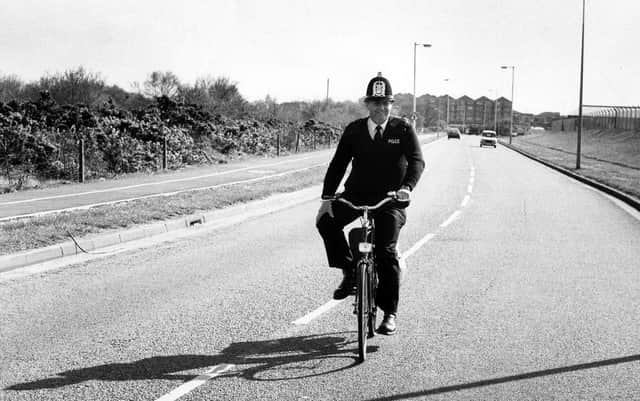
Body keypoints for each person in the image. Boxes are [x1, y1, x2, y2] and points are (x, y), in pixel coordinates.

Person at [315, 72, 425, 335]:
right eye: (375, 103)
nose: (381, 108)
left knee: (386, 252)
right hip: (356, 195)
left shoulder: (402, 129)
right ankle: (349, 270)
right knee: (326, 222)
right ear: (367, 104)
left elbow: (417, 161)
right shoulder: (354, 130)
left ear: (392, 104)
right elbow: (338, 164)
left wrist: (406, 188)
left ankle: (389, 313)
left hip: (391, 200)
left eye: (386, 102)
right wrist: (327, 198)